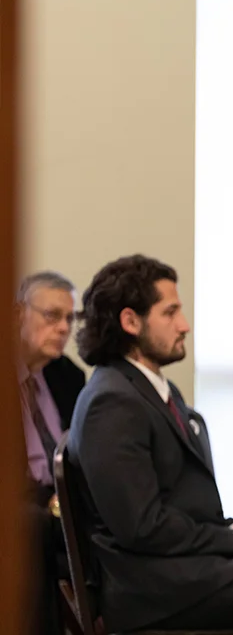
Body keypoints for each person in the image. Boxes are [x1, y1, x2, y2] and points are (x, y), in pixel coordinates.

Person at [67, 255, 233, 632]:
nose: (184, 325)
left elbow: (180, 505)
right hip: (152, 590)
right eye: (170, 312)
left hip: (180, 569)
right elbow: (141, 526)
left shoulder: (153, 389)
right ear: (130, 321)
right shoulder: (111, 402)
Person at [15, 271, 85, 635]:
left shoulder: (67, 376)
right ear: (17, 315)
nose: (63, 328)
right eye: (52, 316)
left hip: (62, 502)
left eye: (69, 318)